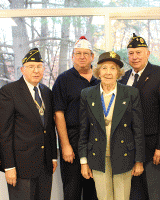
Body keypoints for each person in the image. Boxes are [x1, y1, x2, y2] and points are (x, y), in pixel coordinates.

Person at [79, 51, 145, 200]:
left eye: (113, 68)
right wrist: (84, 162)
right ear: (98, 71)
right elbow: (84, 130)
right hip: (98, 156)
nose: (108, 72)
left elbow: (138, 130)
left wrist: (139, 161)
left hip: (124, 156)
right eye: (104, 68)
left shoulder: (131, 93)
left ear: (119, 72)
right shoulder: (87, 94)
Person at [119, 33, 160, 200]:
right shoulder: (123, 78)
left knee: (155, 194)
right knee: (134, 195)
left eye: (138, 52)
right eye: (131, 53)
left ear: (147, 53)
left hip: (153, 149)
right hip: (128, 150)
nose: (135, 57)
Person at [0, 48, 57, 200]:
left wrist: (53, 157)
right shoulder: (9, 91)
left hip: (44, 165)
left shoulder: (46, 92)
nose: (36, 71)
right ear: (22, 69)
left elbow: (50, 128)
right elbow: (5, 132)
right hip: (21, 166)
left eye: (39, 66)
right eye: (31, 67)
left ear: (43, 69)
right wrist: (9, 166)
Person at [52, 36, 99, 200]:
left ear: (92, 57)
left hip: (96, 143)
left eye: (86, 53)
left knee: (93, 192)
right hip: (72, 140)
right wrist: (65, 145)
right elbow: (58, 114)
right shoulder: (63, 80)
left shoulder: (100, 80)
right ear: (72, 56)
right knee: (72, 191)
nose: (82, 57)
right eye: (78, 53)